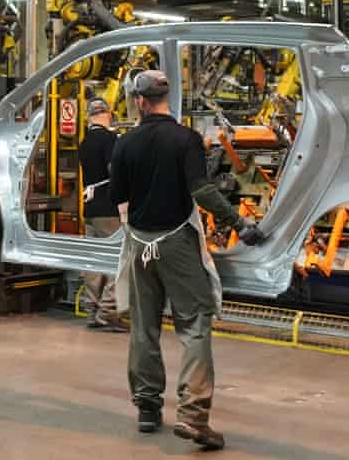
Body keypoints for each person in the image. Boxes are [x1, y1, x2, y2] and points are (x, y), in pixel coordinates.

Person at [109, 69, 266, 450]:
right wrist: (240, 223)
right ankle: (193, 416)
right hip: (177, 242)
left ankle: (147, 409)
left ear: (140, 101)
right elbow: (202, 191)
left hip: (139, 245)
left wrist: (138, 232)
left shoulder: (125, 144)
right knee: (195, 324)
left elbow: (120, 200)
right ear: (165, 98)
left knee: (143, 326)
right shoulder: (186, 139)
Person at [77, 97, 126, 332]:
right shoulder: (110, 139)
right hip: (109, 208)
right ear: (106, 114)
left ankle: (92, 310)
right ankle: (109, 311)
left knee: (93, 260)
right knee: (119, 258)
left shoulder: (84, 142)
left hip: (91, 207)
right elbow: (115, 171)